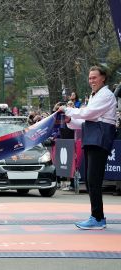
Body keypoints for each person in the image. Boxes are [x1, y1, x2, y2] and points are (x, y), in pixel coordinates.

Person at [57, 66, 117, 230]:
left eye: (94, 78)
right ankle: (97, 216)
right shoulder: (95, 95)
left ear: (103, 78)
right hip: (92, 137)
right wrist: (70, 120)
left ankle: (97, 217)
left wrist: (68, 109)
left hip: (100, 138)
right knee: (91, 180)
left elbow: (88, 114)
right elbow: (86, 121)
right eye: (90, 78)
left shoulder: (106, 95)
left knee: (94, 179)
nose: (91, 81)